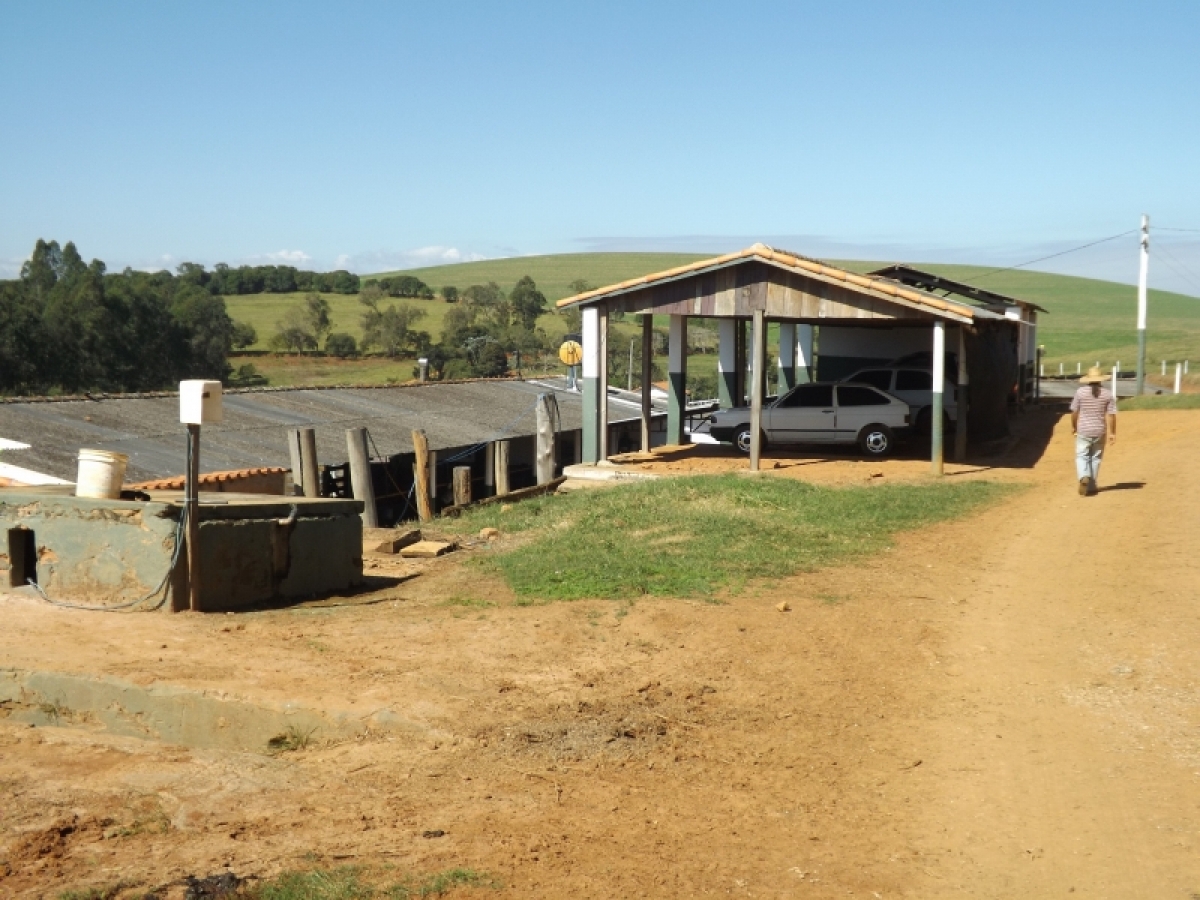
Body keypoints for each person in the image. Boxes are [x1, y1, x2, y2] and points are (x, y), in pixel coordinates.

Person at [1069, 366, 1117, 496]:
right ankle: (1091, 485)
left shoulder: (1080, 392)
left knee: (1082, 456)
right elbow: (1111, 415)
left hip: (1084, 430)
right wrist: (1113, 433)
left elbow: (1074, 411)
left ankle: (1084, 475)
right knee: (1095, 458)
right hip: (1099, 430)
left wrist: (1074, 426)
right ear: (1101, 379)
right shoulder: (1107, 394)